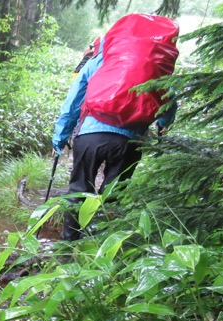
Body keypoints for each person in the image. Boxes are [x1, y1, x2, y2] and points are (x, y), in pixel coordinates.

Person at [52, 24, 177, 241]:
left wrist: (59, 139)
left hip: (90, 136)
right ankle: (101, 244)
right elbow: (169, 100)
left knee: (79, 190)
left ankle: (68, 245)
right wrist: (163, 124)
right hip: (130, 141)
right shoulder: (154, 67)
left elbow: (72, 104)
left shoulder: (97, 62)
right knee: (112, 195)